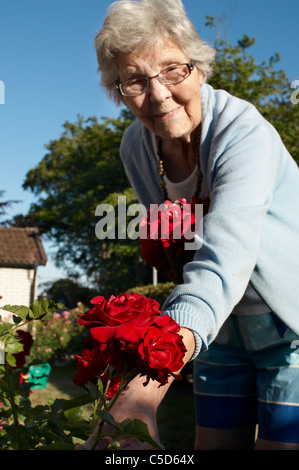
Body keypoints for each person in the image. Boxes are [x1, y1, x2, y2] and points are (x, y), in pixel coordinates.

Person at [81, 0, 299, 450]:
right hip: (216, 326)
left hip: (287, 320)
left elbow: (223, 257)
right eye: (135, 80)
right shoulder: (135, 148)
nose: (158, 95)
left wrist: (140, 397)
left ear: (198, 68)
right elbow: (179, 241)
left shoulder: (244, 133)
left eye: (172, 71)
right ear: (117, 90)